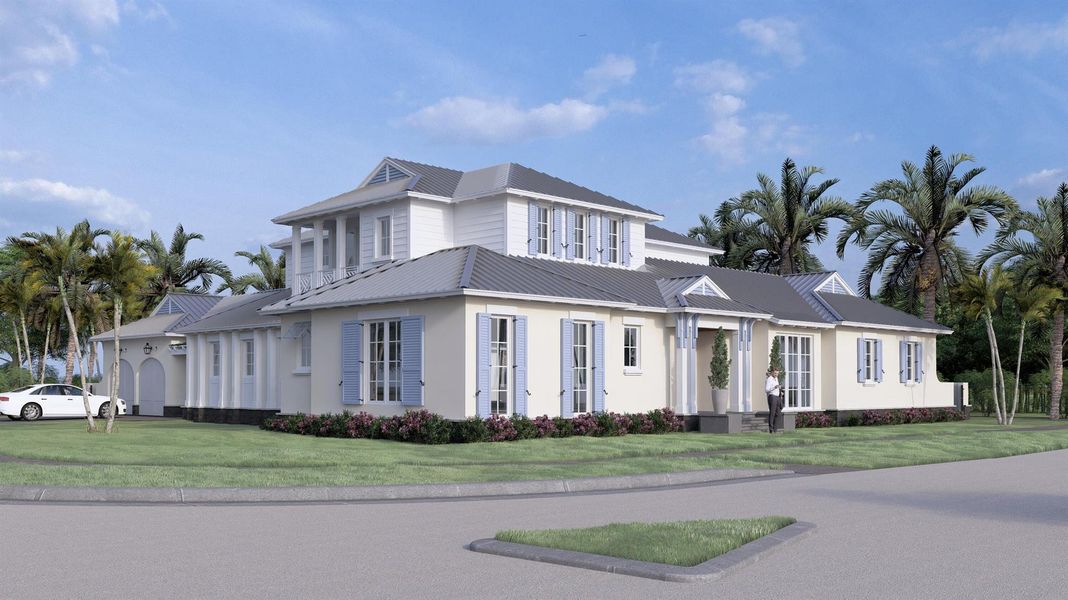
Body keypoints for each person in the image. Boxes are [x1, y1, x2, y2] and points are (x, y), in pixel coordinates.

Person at [765, 368, 782, 433]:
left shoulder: (776, 379)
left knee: (779, 414)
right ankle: (771, 430)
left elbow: (777, 388)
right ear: (772, 372)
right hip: (772, 397)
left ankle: (775, 429)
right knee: (772, 413)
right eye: (775, 373)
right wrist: (774, 387)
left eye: (777, 373)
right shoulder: (769, 379)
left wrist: (780, 391)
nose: (776, 374)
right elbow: (766, 390)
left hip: (777, 397)